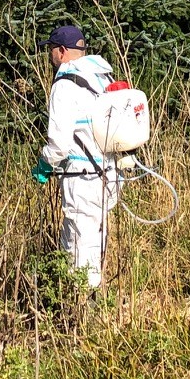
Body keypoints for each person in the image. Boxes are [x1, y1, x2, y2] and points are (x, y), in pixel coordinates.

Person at [38, 23, 120, 289]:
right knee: (97, 240)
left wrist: (44, 163)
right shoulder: (102, 77)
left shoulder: (65, 84)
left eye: (51, 49)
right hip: (109, 173)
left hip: (81, 177)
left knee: (78, 246)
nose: (49, 55)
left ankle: (84, 312)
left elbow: (59, 143)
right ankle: (97, 303)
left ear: (62, 51)